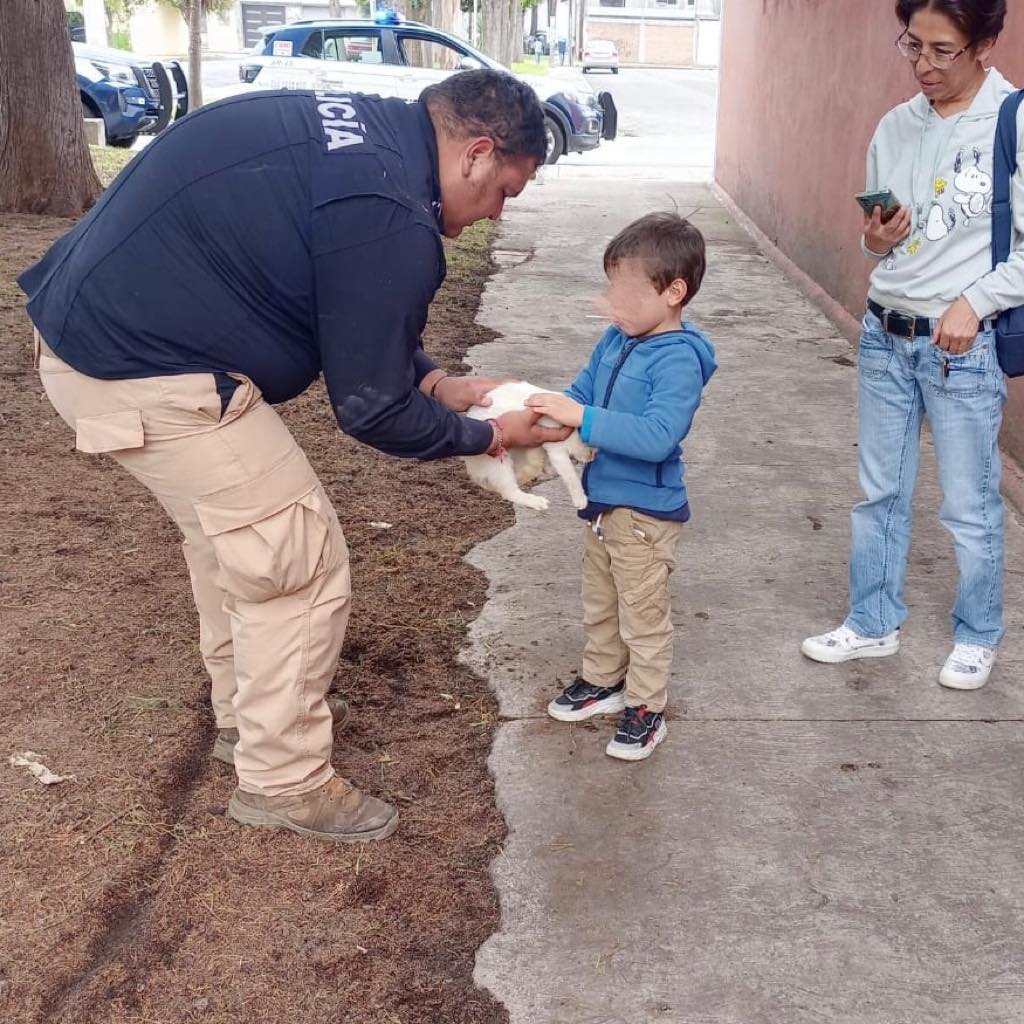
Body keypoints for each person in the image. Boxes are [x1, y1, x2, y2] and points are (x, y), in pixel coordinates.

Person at [18, 70, 570, 844]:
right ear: (477, 153)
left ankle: (252, 722)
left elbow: (349, 302)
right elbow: (370, 408)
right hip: (140, 364)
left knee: (237, 543)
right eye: (506, 190)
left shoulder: (363, 140)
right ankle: (284, 780)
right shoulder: (388, 214)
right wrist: (489, 436)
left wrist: (439, 382)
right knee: (293, 558)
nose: (494, 214)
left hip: (96, 333)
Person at [802, 0, 1024, 690]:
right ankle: (872, 624)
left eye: (943, 50)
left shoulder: (1013, 122)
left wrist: (973, 301)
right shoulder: (896, 124)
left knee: (969, 502)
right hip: (884, 337)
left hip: (962, 347)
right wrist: (877, 239)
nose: (923, 65)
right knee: (879, 493)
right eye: (912, 46)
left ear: (986, 43)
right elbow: (878, 240)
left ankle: (977, 633)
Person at [525, 212, 717, 761]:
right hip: (604, 506)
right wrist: (542, 415)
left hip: (645, 513)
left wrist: (581, 416)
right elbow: (582, 390)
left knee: (642, 614)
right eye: (610, 289)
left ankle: (646, 707)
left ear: (673, 292)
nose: (611, 303)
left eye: (623, 293)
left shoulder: (678, 359)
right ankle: (603, 680)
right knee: (600, 601)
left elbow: (658, 436)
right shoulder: (617, 337)